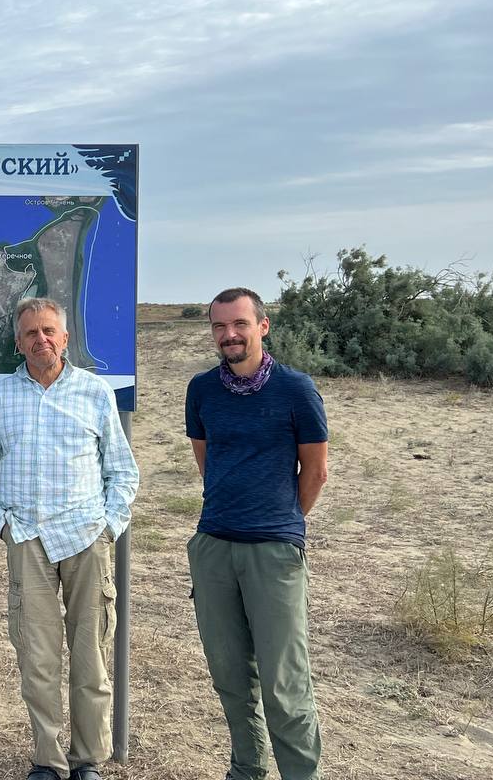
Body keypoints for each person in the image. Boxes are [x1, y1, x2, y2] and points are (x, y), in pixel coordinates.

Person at [0, 298, 138, 780]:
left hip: (86, 538)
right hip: (28, 539)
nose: (40, 339)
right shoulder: (1, 398)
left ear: (64, 338)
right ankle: (48, 760)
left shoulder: (95, 392)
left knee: (91, 657)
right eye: (30, 333)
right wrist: (5, 528)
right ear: (18, 343)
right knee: (37, 661)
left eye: (48, 331)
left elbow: (122, 472)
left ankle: (87, 761)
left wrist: (107, 526)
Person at [185, 287, 328, 780]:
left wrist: (280, 521)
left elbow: (315, 472)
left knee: (284, 684)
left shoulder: (297, 389)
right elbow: (207, 462)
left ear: (263, 326)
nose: (230, 334)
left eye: (240, 324)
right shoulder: (201, 390)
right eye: (220, 326)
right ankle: (245, 770)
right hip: (214, 546)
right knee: (229, 676)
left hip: (273, 552)